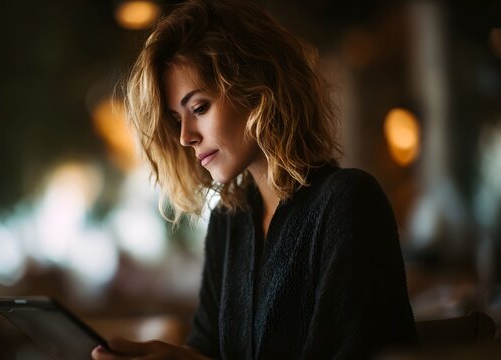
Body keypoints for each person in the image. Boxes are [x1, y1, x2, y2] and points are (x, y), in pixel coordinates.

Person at [92, 0, 419, 359]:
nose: (185, 136)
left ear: (257, 88)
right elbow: (208, 348)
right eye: (176, 118)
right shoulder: (229, 220)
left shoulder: (349, 201)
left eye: (199, 108)